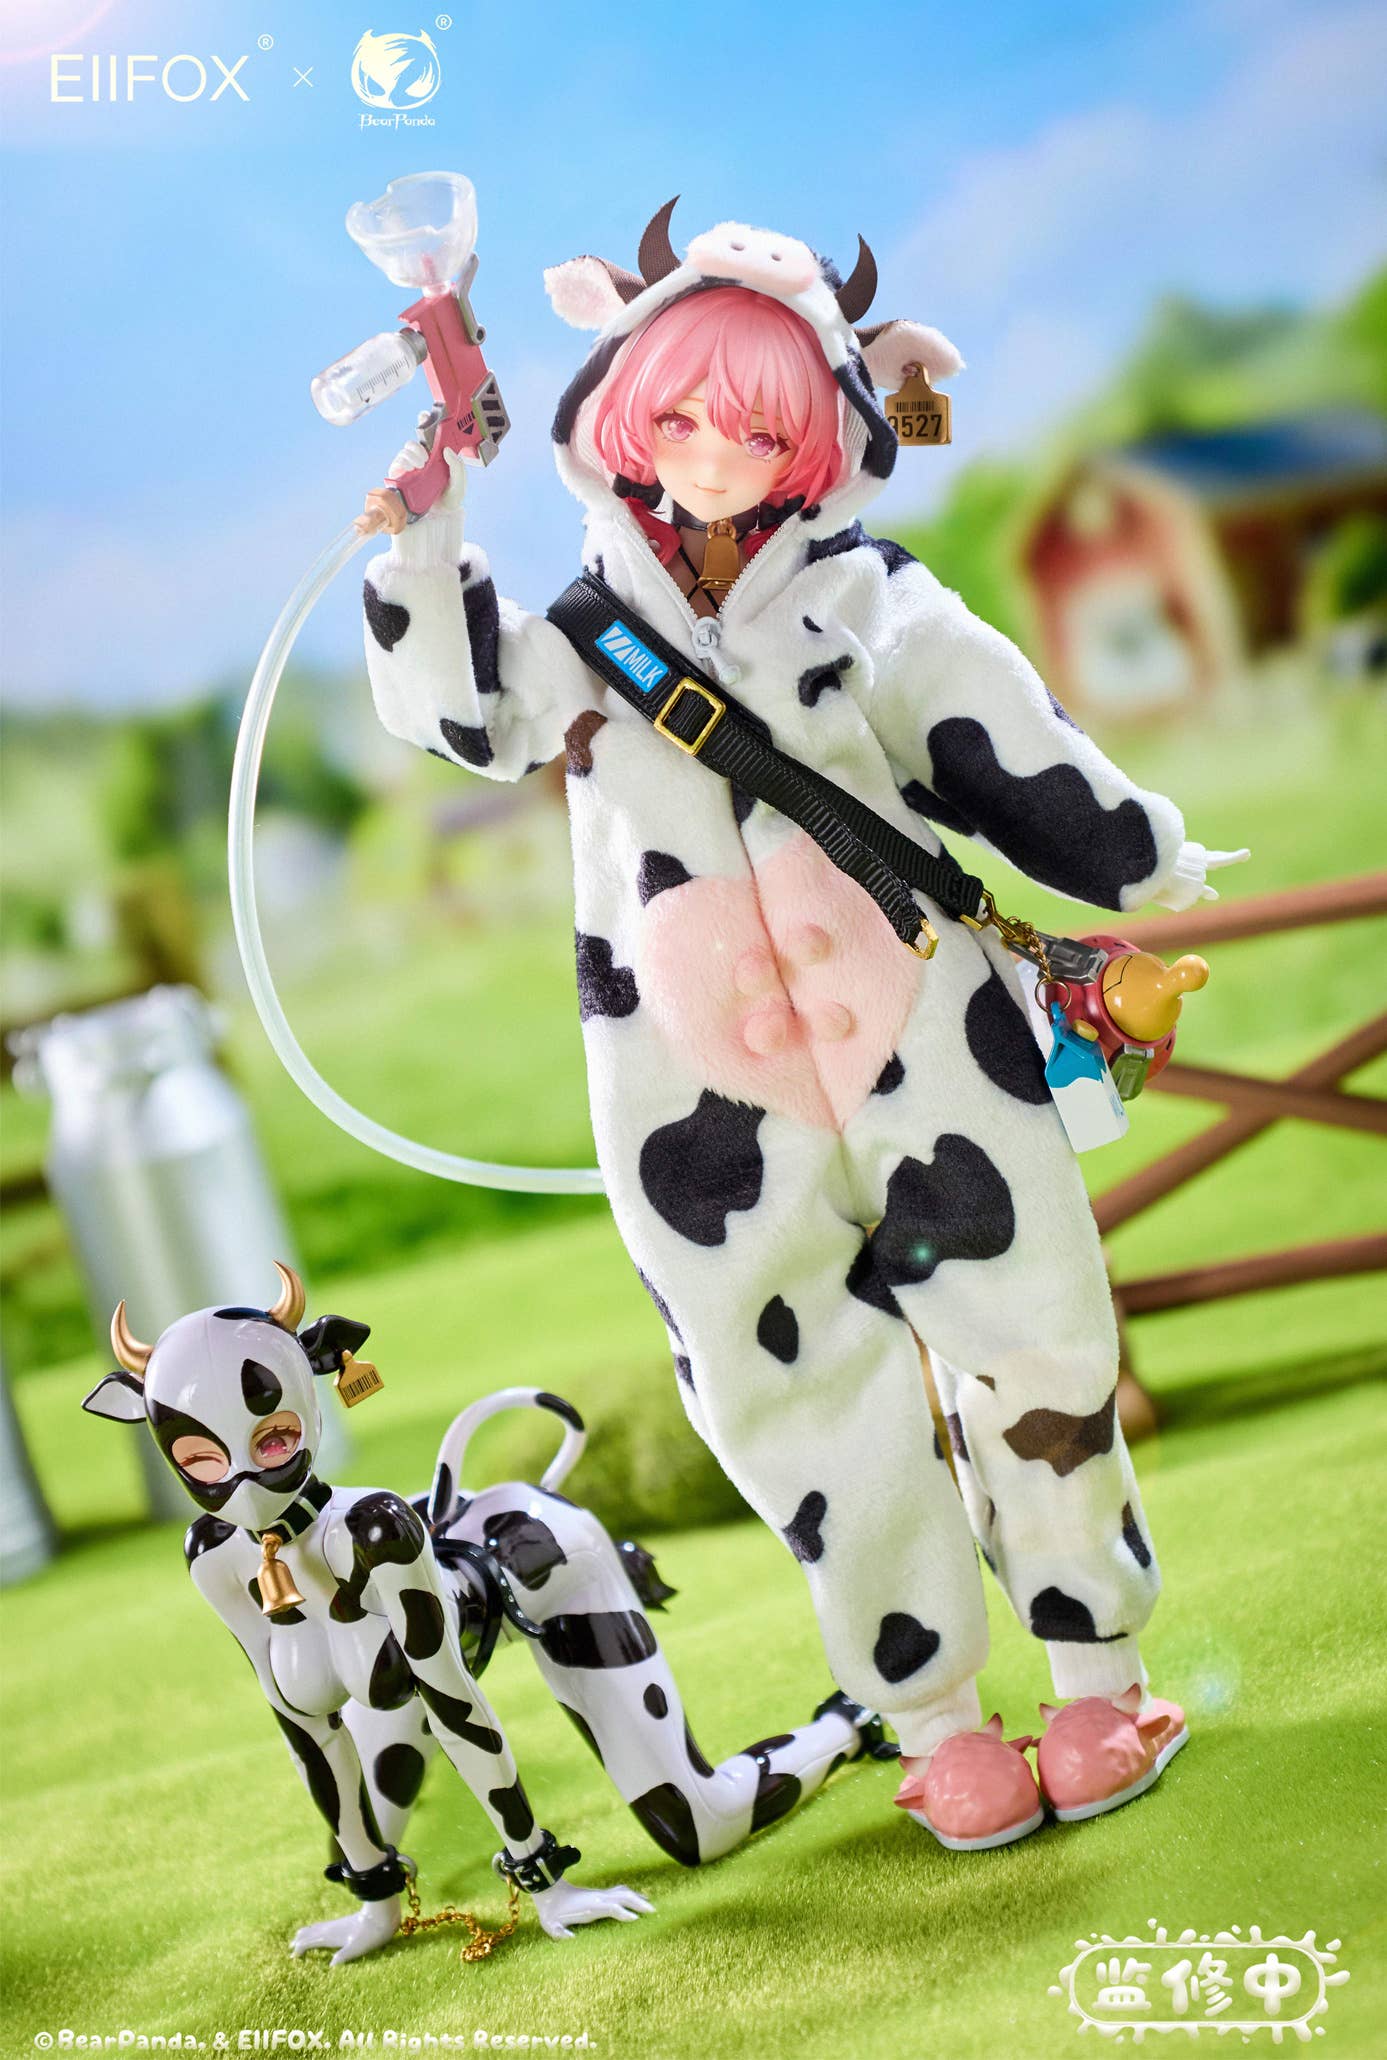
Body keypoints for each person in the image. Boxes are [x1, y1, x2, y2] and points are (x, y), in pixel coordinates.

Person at [357, 202, 1246, 1848]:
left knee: (1033, 1340)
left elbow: (1001, 741)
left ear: (827, 431)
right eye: (683, 415)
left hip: (936, 1047)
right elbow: (461, 710)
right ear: (620, 416)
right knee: (794, 1392)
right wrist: (425, 537)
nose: (715, 454)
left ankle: (1096, 1680)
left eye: (761, 426)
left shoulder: (870, 607)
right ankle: (937, 1719)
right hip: (694, 1101)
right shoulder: (578, 645)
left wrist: (1138, 852)